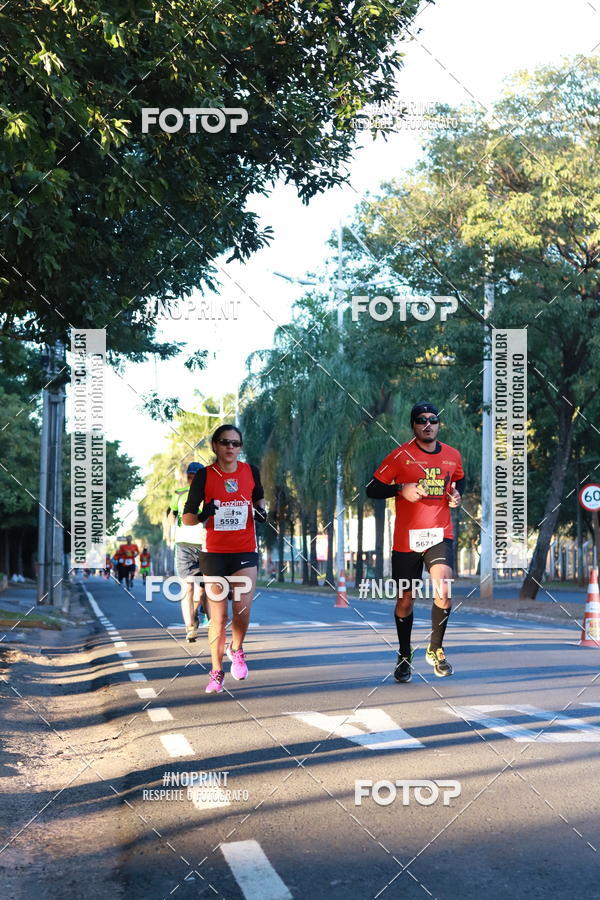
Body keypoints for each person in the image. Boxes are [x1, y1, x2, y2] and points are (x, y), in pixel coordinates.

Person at [367, 402, 465, 682]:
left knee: (444, 588)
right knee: (405, 601)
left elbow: (459, 480)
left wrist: (457, 496)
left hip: (439, 534)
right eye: (421, 420)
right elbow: (372, 488)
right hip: (406, 540)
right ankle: (403, 653)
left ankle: (436, 649)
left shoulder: (452, 455)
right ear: (413, 425)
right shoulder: (400, 456)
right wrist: (400, 488)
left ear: (438, 424)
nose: (428, 424)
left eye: (433, 420)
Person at [183, 424, 266, 694]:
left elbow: (259, 501)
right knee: (218, 618)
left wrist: (262, 512)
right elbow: (187, 518)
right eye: (225, 442)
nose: (230, 447)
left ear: (240, 447)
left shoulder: (250, 471)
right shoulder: (205, 476)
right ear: (215, 446)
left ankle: (237, 649)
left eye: (235, 443)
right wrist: (204, 512)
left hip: (244, 550)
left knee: (242, 609)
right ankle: (216, 672)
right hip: (214, 553)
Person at [167, 462, 208, 641]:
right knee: (188, 587)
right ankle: (190, 627)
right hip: (183, 545)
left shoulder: (210, 495)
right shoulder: (179, 494)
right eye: (190, 476)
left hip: (205, 545)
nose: (192, 479)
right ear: (187, 477)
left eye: (196, 476)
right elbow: (171, 515)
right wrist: (173, 527)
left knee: (204, 590)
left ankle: (198, 613)